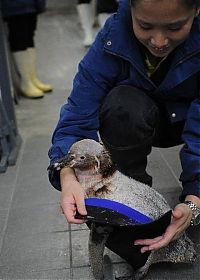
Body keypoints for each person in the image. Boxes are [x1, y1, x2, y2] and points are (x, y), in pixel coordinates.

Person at [49, 0, 200, 257]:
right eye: (145, 25)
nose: (159, 41)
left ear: (197, 10)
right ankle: (132, 201)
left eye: (174, 27)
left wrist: (194, 202)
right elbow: (76, 118)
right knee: (122, 105)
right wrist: (68, 174)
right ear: (129, 7)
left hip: (187, 119)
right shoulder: (112, 37)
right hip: (136, 117)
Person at [1, 0, 53, 99]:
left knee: (29, 36)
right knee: (19, 37)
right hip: (14, 6)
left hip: (30, 4)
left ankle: (32, 78)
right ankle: (26, 81)